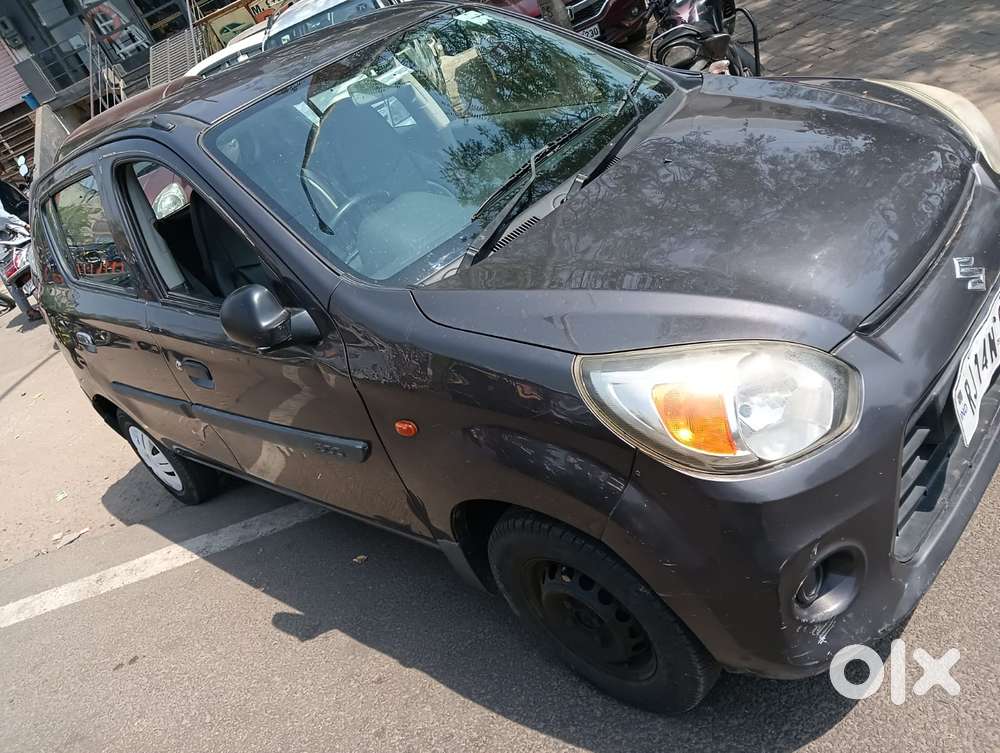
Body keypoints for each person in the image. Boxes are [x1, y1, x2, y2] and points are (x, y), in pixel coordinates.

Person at [0, 196, 40, 320]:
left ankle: (28, 311)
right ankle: (45, 305)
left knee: (10, 278)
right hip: (5, 243)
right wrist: (24, 225)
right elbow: (3, 217)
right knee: (20, 270)